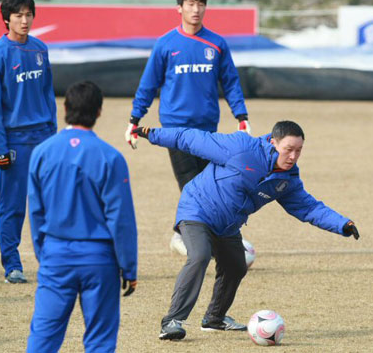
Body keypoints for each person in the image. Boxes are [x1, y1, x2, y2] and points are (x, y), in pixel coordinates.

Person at [132, 120, 360, 340]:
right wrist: (151, 133)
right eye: (288, 149)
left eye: (299, 151)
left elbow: (308, 207)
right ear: (273, 142)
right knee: (200, 255)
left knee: (236, 266)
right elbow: (190, 139)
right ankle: (172, 321)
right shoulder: (241, 147)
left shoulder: (287, 180)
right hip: (198, 210)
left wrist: (342, 224)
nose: (293, 156)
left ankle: (214, 318)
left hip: (228, 224)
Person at [125, 0, 250, 256]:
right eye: (190, 4)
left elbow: (231, 82)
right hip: (175, 129)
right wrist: (134, 120)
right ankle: (195, 240)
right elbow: (148, 85)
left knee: (208, 185)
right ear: (179, 8)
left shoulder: (216, 44)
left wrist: (241, 116)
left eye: (200, 4)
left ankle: (183, 234)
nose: (196, 9)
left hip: (206, 129)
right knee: (191, 185)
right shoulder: (165, 44)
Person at [26, 81, 138, 353]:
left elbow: (36, 212)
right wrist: (129, 267)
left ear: (64, 108)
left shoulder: (42, 153)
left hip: (56, 255)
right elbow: (120, 218)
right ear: (99, 111)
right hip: (99, 260)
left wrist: (45, 254)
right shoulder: (110, 157)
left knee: (43, 337)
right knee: (100, 339)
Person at [0, 0, 57, 283]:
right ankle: (12, 265)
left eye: (28, 14)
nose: (24, 21)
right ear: (6, 18)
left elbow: (48, 96)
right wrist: (0, 148)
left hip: (43, 138)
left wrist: (53, 138)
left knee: (48, 204)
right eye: (18, 15)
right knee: (13, 206)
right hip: (15, 142)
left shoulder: (40, 49)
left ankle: (49, 262)